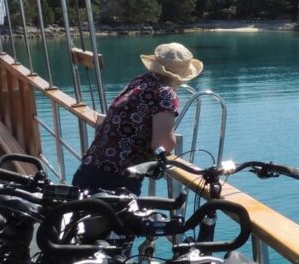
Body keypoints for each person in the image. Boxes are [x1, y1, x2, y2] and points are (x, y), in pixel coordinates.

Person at [71, 42, 203, 195]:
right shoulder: (165, 94)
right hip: (117, 179)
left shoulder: (139, 81)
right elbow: (162, 144)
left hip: (89, 168)